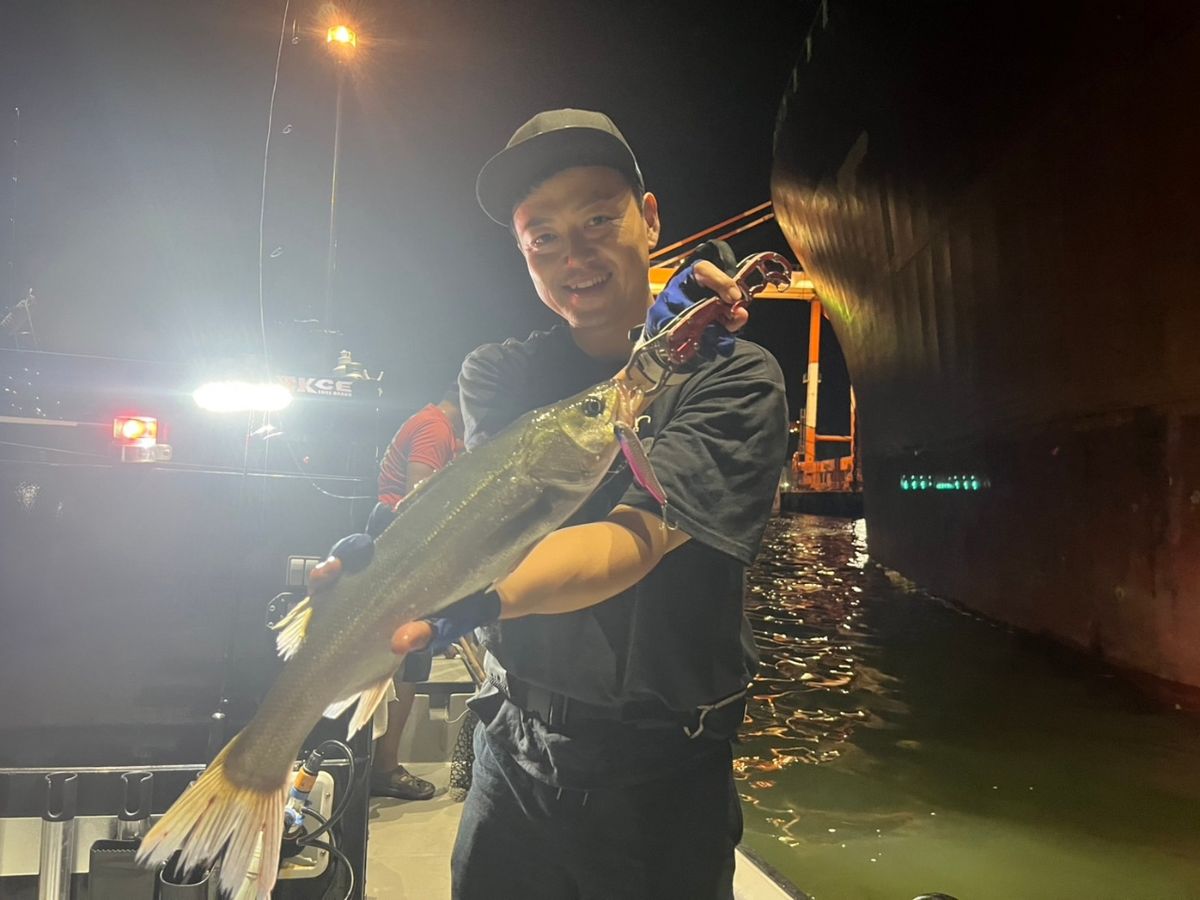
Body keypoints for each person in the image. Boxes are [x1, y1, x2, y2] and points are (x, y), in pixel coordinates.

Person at [315, 108, 787, 898]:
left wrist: (482, 598)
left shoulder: (736, 377)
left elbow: (628, 543)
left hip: (662, 776)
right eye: (543, 237)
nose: (575, 254)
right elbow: (506, 508)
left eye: (600, 218)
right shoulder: (498, 374)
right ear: (523, 254)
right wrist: (384, 558)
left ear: (651, 219)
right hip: (513, 751)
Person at [367, 385, 464, 801]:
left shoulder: (437, 426)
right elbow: (420, 505)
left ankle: (378, 765)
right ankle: (382, 769)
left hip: (403, 558)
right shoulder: (434, 428)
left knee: (409, 668)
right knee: (402, 668)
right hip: (403, 558)